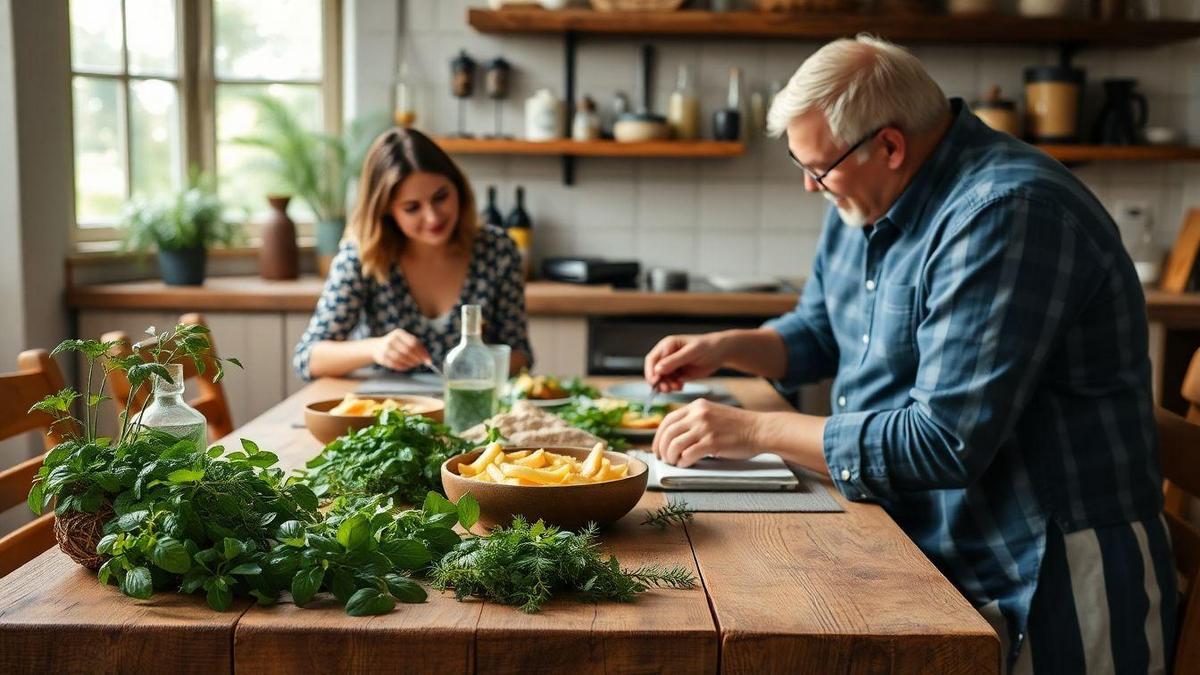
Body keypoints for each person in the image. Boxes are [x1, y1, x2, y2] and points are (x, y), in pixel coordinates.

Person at [644, 35, 1174, 674]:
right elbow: (819, 332)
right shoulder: (864, 193)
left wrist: (754, 428)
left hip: (1041, 563)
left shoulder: (1004, 212)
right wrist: (728, 349)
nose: (811, 187)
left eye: (818, 169)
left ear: (889, 146)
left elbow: (943, 442)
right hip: (919, 537)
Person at [293, 127, 531, 380]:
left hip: (477, 410)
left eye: (441, 197)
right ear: (386, 210)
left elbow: (522, 356)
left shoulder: (497, 251)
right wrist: (374, 348)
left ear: (458, 189)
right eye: (412, 207)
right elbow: (307, 359)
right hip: (388, 411)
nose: (433, 217)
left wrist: (475, 364)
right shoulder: (362, 256)